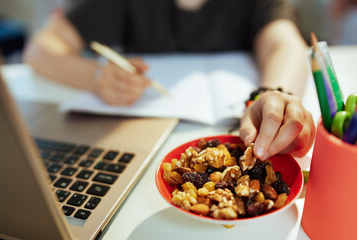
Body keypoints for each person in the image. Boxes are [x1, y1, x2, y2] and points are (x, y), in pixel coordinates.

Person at [23, 0, 316, 161]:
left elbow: (285, 45)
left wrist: (271, 94)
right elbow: (41, 49)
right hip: (140, 143)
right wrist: (97, 77)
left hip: (234, 137)